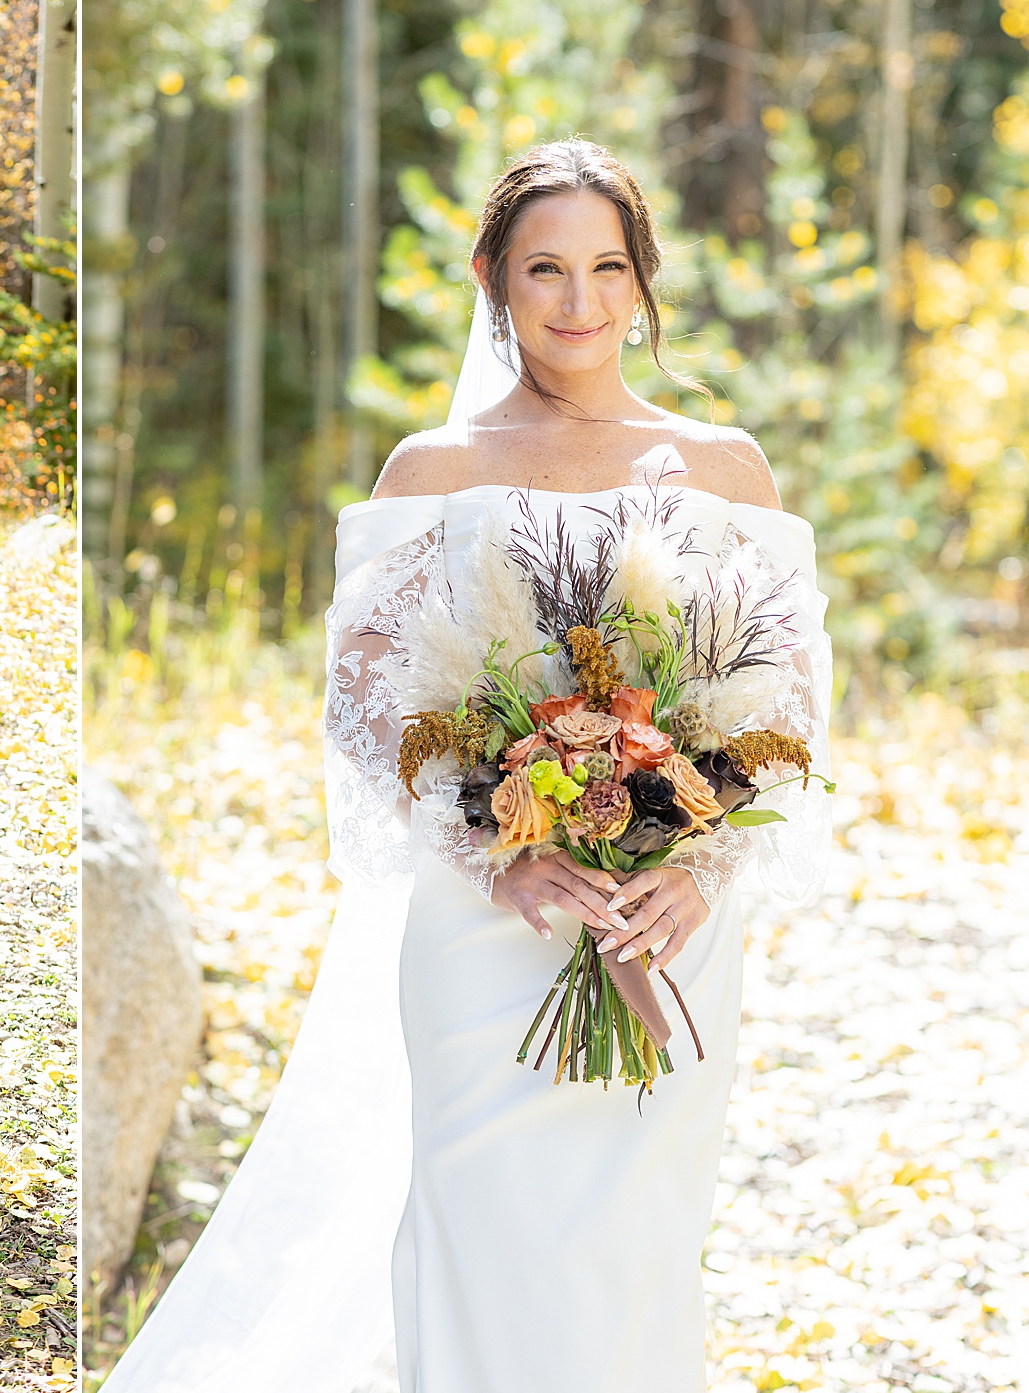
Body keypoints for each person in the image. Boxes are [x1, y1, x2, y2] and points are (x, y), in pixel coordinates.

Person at [101, 139, 832, 1393]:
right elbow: (366, 706)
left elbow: (792, 700)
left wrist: (702, 867)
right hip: (489, 917)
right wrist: (494, 860)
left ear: (643, 279)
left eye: (607, 267)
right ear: (492, 276)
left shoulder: (722, 466)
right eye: (544, 268)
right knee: (480, 1214)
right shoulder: (429, 473)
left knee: (634, 1237)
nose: (578, 301)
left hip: (665, 919)